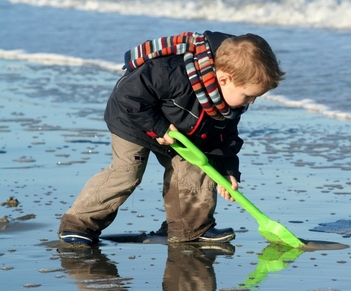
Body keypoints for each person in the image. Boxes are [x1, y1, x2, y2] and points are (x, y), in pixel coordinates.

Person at [58, 30, 285, 246]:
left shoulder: (228, 106)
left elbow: (225, 140)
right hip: (133, 121)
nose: (251, 102)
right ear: (224, 79)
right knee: (127, 173)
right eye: (248, 96)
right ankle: (78, 225)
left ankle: (190, 229)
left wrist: (228, 171)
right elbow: (128, 96)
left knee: (198, 169)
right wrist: (158, 127)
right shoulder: (171, 73)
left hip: (182, 132)